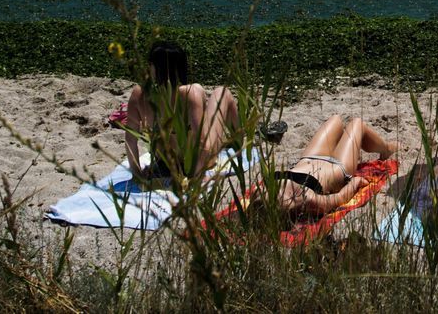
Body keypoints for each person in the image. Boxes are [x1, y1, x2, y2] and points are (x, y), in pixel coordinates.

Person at [124, 41, 239, 180]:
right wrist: (197, 178)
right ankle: (239, 146)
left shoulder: (139, 94)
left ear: (153, 66)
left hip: (164, 163)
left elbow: (130, 140)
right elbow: (201, 143)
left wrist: (137, 175)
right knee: (222, 92)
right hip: (195, 164)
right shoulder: (189, 93)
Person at [254, 114, 397, 218]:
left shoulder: (262, 192)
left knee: (335, 120)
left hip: (311, 157)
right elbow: (339, 198)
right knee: (356, 123)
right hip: (338, 166)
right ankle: (386, 149)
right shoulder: (304, 199)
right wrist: (356, 182)